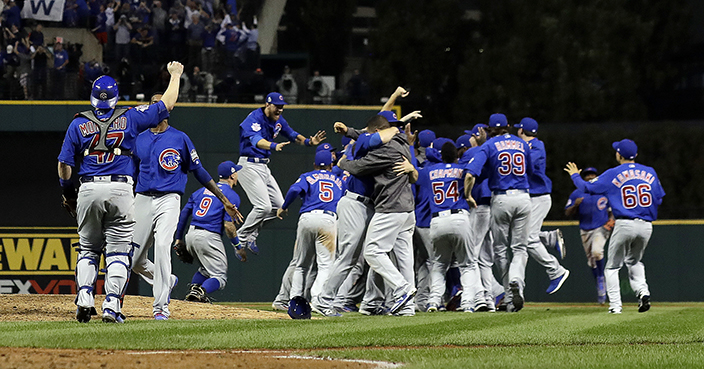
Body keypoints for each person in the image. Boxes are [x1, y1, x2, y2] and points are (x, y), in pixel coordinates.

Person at [57, 61, 184, 323]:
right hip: (120, 188)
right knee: (118, 251)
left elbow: (64, 165)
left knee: (88, 249)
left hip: (88, 187)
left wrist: (69, 194)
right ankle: (112, 306)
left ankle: (84, 298)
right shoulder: (130, 116)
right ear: (116, 97)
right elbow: (167, 104)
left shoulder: (77, 123)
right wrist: (176, 75)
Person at [131, 92, 243, 320]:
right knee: (132, 259)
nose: (152, 109)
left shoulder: (179, 138)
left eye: (157, 105)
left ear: (166, 110)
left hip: (168, 198)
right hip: (141, 198)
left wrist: (224, 199)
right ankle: (167, 280)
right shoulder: (138, 137)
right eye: (151, 105)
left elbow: (199, 171)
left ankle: (160, 307)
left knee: (162, 246)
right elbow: (130, 171)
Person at [565, 139, 665, 314]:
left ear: (619, 155)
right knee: (634, 261)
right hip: (646, 226)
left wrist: (574, 175)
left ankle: (615, 307)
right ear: (636, 155)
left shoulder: (613, 173)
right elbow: (659, 198)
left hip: (625, 223)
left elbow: (586, 187)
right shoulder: (651, 172)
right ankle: (643, 292)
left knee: (612, 267)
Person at [337, 114, 418, 316]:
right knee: (404, 259)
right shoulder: (403, 142)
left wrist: (343, 163)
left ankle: (402, 289)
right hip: (408, 211)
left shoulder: (387, 149)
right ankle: (406, 307)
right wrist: (349, 131)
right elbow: (368, 134)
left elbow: (359, 167)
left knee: (372, 252)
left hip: (391, 207)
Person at [236, 92, 326, 255]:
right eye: (277, 106)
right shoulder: (254, 119)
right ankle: (241, 238)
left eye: (282, 107)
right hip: (248, 165)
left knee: (279, 207)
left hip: (263, 167)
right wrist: (272, 146)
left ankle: (251, 235)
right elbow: (255, 140)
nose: (280, 110)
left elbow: (292, 134)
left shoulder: (278, 120)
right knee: (263, 207)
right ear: (267, 105)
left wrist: (308, 142)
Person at [464, 113, 532, 312]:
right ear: (509, 126)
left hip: (501, 198)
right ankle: (517, 281)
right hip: (523, 197)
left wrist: (468, 195)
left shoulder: (489, 145)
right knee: (520, 248)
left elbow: (470, 174)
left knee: (501, 250)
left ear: (488, 129)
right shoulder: (523, 144)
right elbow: (532, 171)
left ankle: (509, 295)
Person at [417, 141, 485, 312]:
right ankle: (468, 303)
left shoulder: (430, 170)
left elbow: (413, 175)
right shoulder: (462, 169)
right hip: (458, 217)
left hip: (437, 221)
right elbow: (473, 172)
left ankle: (433, 301)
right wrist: (468, 195)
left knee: (439, 264)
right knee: (467, 264)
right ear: (457, 156)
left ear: (440, 156)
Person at [276, 150, 344, 309]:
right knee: (325, 265)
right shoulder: (338, 180)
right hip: (328, 219)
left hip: (307, 218)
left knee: (301, 265)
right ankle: (318, 299)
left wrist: (284, 207)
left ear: (314, 164)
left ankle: (294, 300)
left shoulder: (308, 176)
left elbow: (294, 190)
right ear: (331, 165)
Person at [175, 161, 246, 304]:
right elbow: (229, 227)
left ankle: (194, 292)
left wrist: (178, 238)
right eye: (236, 172)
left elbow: (184, 214)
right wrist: (238, 247)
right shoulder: (231, 196)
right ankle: (200, 292)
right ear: (232, 175)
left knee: (206, 269)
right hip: (208, 236)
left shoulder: (199, 192)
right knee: (219, 276)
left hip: (191, 234)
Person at [513, 118, 571, 294]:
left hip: (538, 198)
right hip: (529, 198)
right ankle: (549, 238)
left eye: (519, 130)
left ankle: (556, 271)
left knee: (528, 240)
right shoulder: (525, 146)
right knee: (517, 234)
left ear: (522, 131)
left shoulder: (537, 146)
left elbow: (525, 164)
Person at [564, 167, 614, 305]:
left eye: (593, 174)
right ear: (583, 178)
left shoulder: (603, 192)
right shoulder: (577, 193)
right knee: (591, 261)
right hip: (585, 229)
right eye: (587, 175)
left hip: (601, 228)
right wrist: (575, 205)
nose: (590, 176)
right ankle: (599, 284)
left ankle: (601, 280)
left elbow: (613, 211)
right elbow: (567, 213)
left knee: (597, 252)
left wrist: (611, 221)